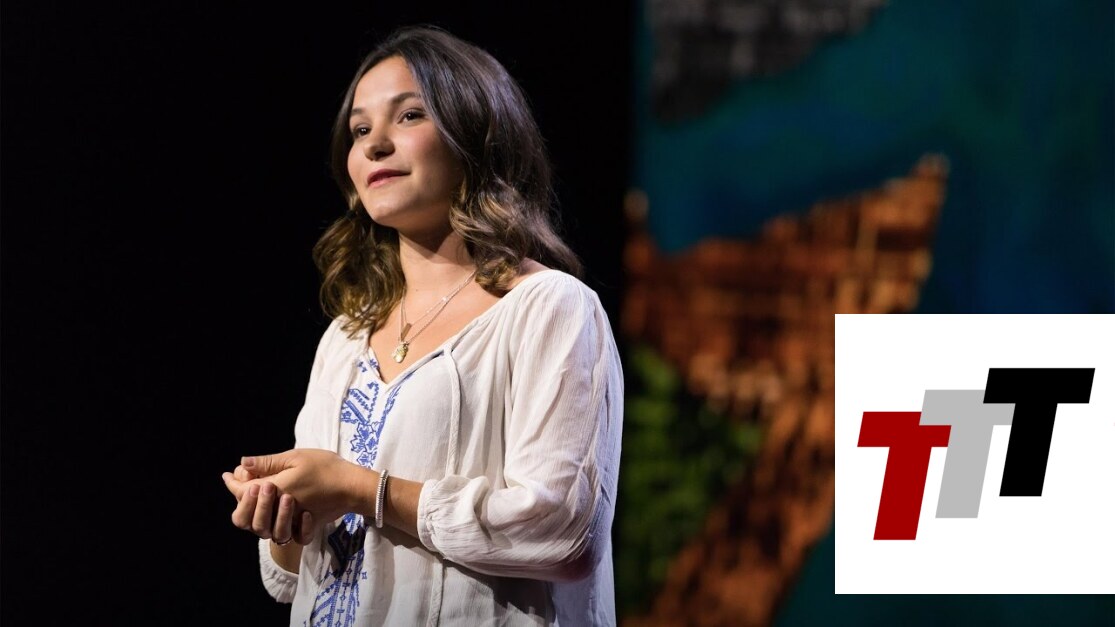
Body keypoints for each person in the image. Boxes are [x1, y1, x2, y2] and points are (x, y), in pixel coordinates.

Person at [221, 25, 623, 625]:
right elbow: (286, 578)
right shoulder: (346, 338)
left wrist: (363, 490)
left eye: (409, 116)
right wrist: (284, 514)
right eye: (360, 131)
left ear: (476, 135)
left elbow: (563, 531)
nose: (376, 145)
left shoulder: (549, 308)